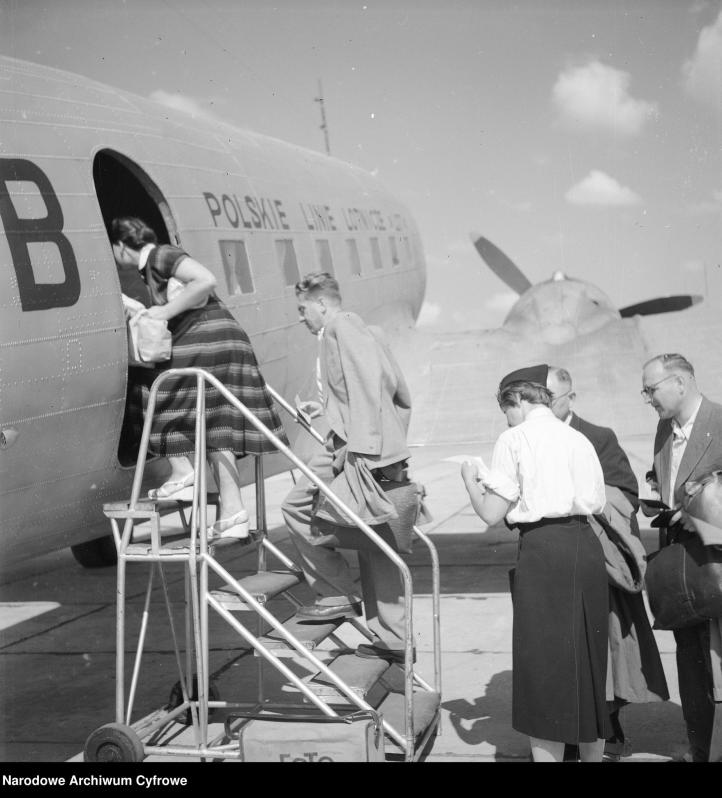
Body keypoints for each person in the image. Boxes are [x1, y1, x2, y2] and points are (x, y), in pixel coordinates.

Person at [461, 364, 609, 762]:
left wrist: (470, 481)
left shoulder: (514, 438)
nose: (506, 419)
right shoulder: (577, 438)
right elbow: (595, 500)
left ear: (518, 400)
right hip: (584, 546)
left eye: (506, 409)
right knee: (587, 665)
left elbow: (491, 513)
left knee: (542, 669)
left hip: (543, 551)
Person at [110, 216, 287, 540]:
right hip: (223, 339)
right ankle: (233, 513)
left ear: (121, 245)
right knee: (215, 425)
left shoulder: (160, 255)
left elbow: (205, 280)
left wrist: (163, 312)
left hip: (206, 338)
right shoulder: (151, 268)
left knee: (149, 388)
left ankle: (183, 472)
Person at [280, 272, 413, 663]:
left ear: (321, 303)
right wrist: (327, 411)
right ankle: (394, 640)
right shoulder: (358, 331)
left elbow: (369, 385)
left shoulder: (344, 325)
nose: (301, 318)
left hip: (357, 450)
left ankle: (338, 591)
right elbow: (394, 393)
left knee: (297, 507)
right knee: (376, 540)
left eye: (303, 309)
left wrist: (365, 451)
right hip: (361, 444)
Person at [547, 366, 669, 762]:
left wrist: (579, 499)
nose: (545, 406)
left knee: (608, 652)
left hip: (597, 561)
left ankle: (608, 727)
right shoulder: (533, 438)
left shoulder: (598, 436)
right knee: (564, 653)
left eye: (552, 398)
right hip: (554, 565)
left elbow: (626, 494)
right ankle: (570, 731)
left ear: (571, 397)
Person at [642, 353, 722, 762]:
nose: (648, 399)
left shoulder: (719, 422)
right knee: (690, 660)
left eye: (651, 389)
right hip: (680, 565)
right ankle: (701, 747)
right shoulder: (663, 430)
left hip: (715, 562)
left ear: (681, 382)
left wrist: (698, 510)